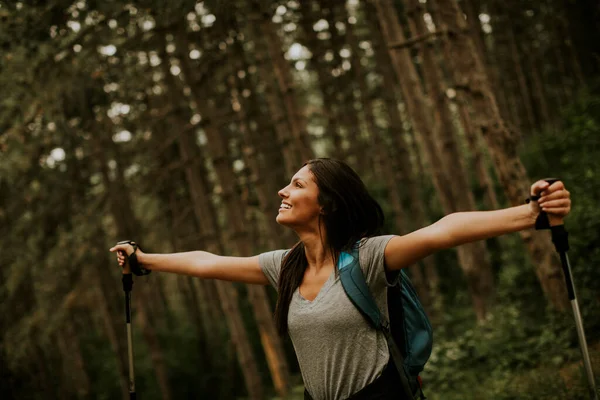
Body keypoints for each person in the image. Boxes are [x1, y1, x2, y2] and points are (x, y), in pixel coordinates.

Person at [109, 158, 571, 400]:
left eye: (296, 185)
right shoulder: (284, 267)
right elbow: (206, 262)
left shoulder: (367, 258)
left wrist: (531, 214)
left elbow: (442, 230)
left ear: (325, 203)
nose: (282, 191)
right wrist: (144, 259)